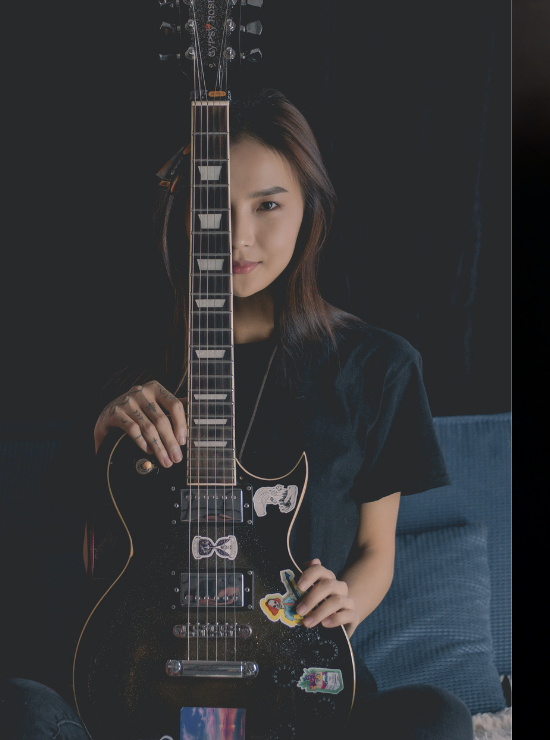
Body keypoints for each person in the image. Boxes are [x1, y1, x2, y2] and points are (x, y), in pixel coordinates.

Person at [3, 89, 472, 740]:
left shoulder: (379, 367)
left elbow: (373, 549)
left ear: (310, 207)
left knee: (441, 720)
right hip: (139, 681)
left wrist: (345, 601)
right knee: (18, 707)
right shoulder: (127, 360)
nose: (239, 238)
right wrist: (102, 433)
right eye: (211, 210)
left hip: (299, 678)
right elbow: (61, 542)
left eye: (268, 205)